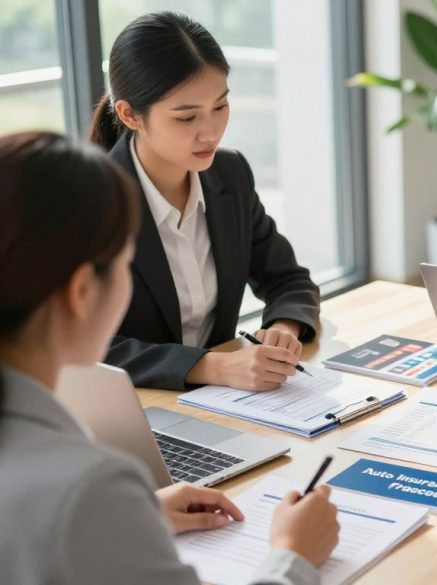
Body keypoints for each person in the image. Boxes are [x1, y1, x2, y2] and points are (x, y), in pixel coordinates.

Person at [0, 131, 339, 584]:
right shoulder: (87, 487)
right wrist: (293, 556)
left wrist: (125, 526)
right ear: (82, 292)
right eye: (123, 264)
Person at [89, 11, 320, 391]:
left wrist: (284, 326)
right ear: (130, 115)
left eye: (220, 106)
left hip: (226, 405)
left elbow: (288, 278)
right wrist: (210, 367)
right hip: (136, 411)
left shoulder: (230, 175)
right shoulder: (90, 203)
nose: (210, 132)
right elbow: (83, 346)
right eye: (186, 118)